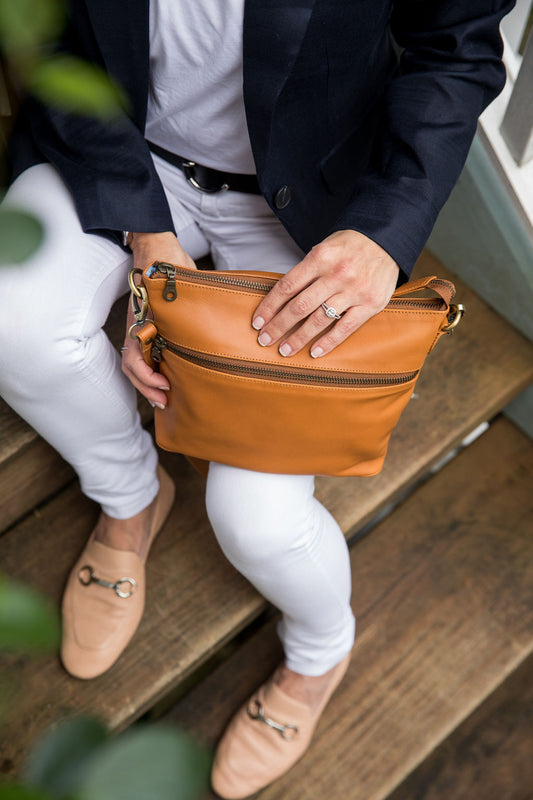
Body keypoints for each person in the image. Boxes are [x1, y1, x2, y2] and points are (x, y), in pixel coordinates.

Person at [1, 1, 513, 797]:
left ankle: (320, 649)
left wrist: (383, 231)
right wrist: (145, 233)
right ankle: (131, 497)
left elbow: (455, 51)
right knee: (12, 319)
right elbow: (54, 32)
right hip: (117, 153)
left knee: (258, 520)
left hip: (305, 196)